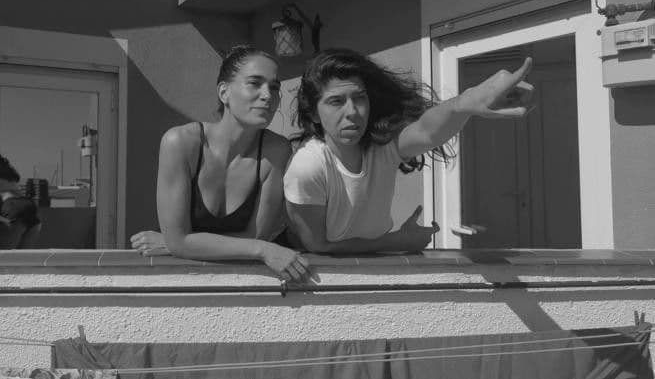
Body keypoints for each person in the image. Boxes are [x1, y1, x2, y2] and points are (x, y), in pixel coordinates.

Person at [284, 48, 533, 253]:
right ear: (314, 113)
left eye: (359, 98)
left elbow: (426, 131)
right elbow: (318, 245)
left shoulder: (380, 147)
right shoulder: (308, 166)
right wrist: (397, 242)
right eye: (336, 101)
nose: (352, 111)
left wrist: (465, 102)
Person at [130, 46, 310, 281]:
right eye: (254, 83)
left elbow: (254, 237)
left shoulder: (276, 151)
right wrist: (263, 250)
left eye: (274, 87)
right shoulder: (182, 143)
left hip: (233, 281)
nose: (268, 95)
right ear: (224, 92)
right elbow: (255, 245)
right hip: (176, 280)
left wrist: (178, 243)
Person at [0, 154, 42, 249]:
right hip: (29, 205)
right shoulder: (10, 174)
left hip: (13, 207)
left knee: (3, 256)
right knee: (22, 256)